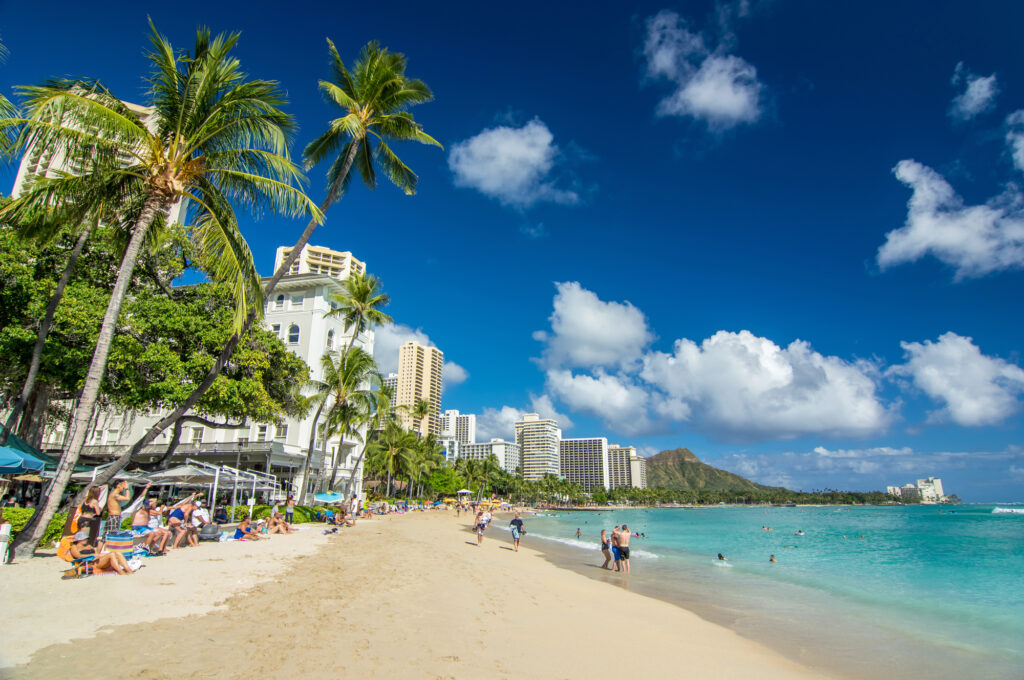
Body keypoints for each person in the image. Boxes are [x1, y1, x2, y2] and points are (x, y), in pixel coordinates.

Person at [65, 530, 132, 575]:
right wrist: (92, 555)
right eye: (83, 539)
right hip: (92, 563)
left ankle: (129, 570)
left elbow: (97, 553)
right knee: (111, 554)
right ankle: (120, 572)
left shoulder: (88, 545)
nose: (85, 540)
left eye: (86, 538)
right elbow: (78, 556)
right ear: (78, 540)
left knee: (117, 552)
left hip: (98, 560)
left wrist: (98, 555)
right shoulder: (74, 547)